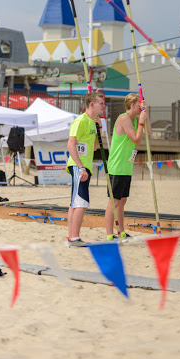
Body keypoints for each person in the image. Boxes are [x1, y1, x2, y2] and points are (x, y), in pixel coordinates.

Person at [105, 93, 151, 240]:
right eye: (139, 105)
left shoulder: (136, 120)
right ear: (132, 105)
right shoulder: (124, 119)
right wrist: (142, 122)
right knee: (115, 201)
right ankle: (109, 234)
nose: (141, 107)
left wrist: (145, 115)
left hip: (126, 166)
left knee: (123, 200)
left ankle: (121, 231)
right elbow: (137, 140)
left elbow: (148, 133)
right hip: (117, 166)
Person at [66, 92, 105, 247]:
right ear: (92, 104)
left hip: (85, 166)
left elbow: (95, 147)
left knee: (76, 203)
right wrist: (81, 167)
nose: (103, 106)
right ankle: (73, 238)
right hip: (79, 166)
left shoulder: (92, 122)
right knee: (81, 202)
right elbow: (70, 145)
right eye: (101, 103)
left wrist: (99, 129)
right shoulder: (80, 121)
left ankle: (72, 236)